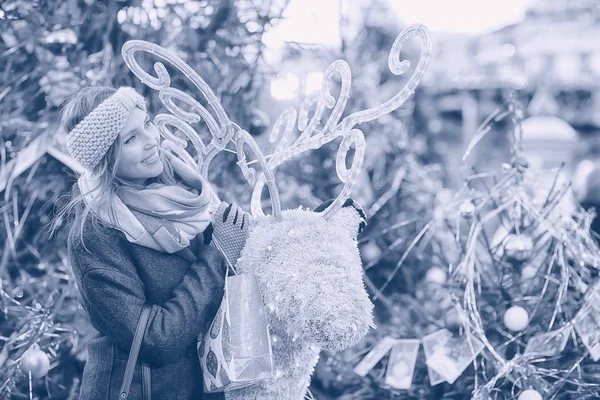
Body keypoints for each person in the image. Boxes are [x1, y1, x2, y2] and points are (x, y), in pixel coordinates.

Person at [53, 85, 227, 400]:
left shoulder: (184, 195)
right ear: (105, 159)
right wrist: (219, 254)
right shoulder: (94, 236)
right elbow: (156, 339)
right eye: (131, 139)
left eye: (146, 124)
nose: (152, 140)